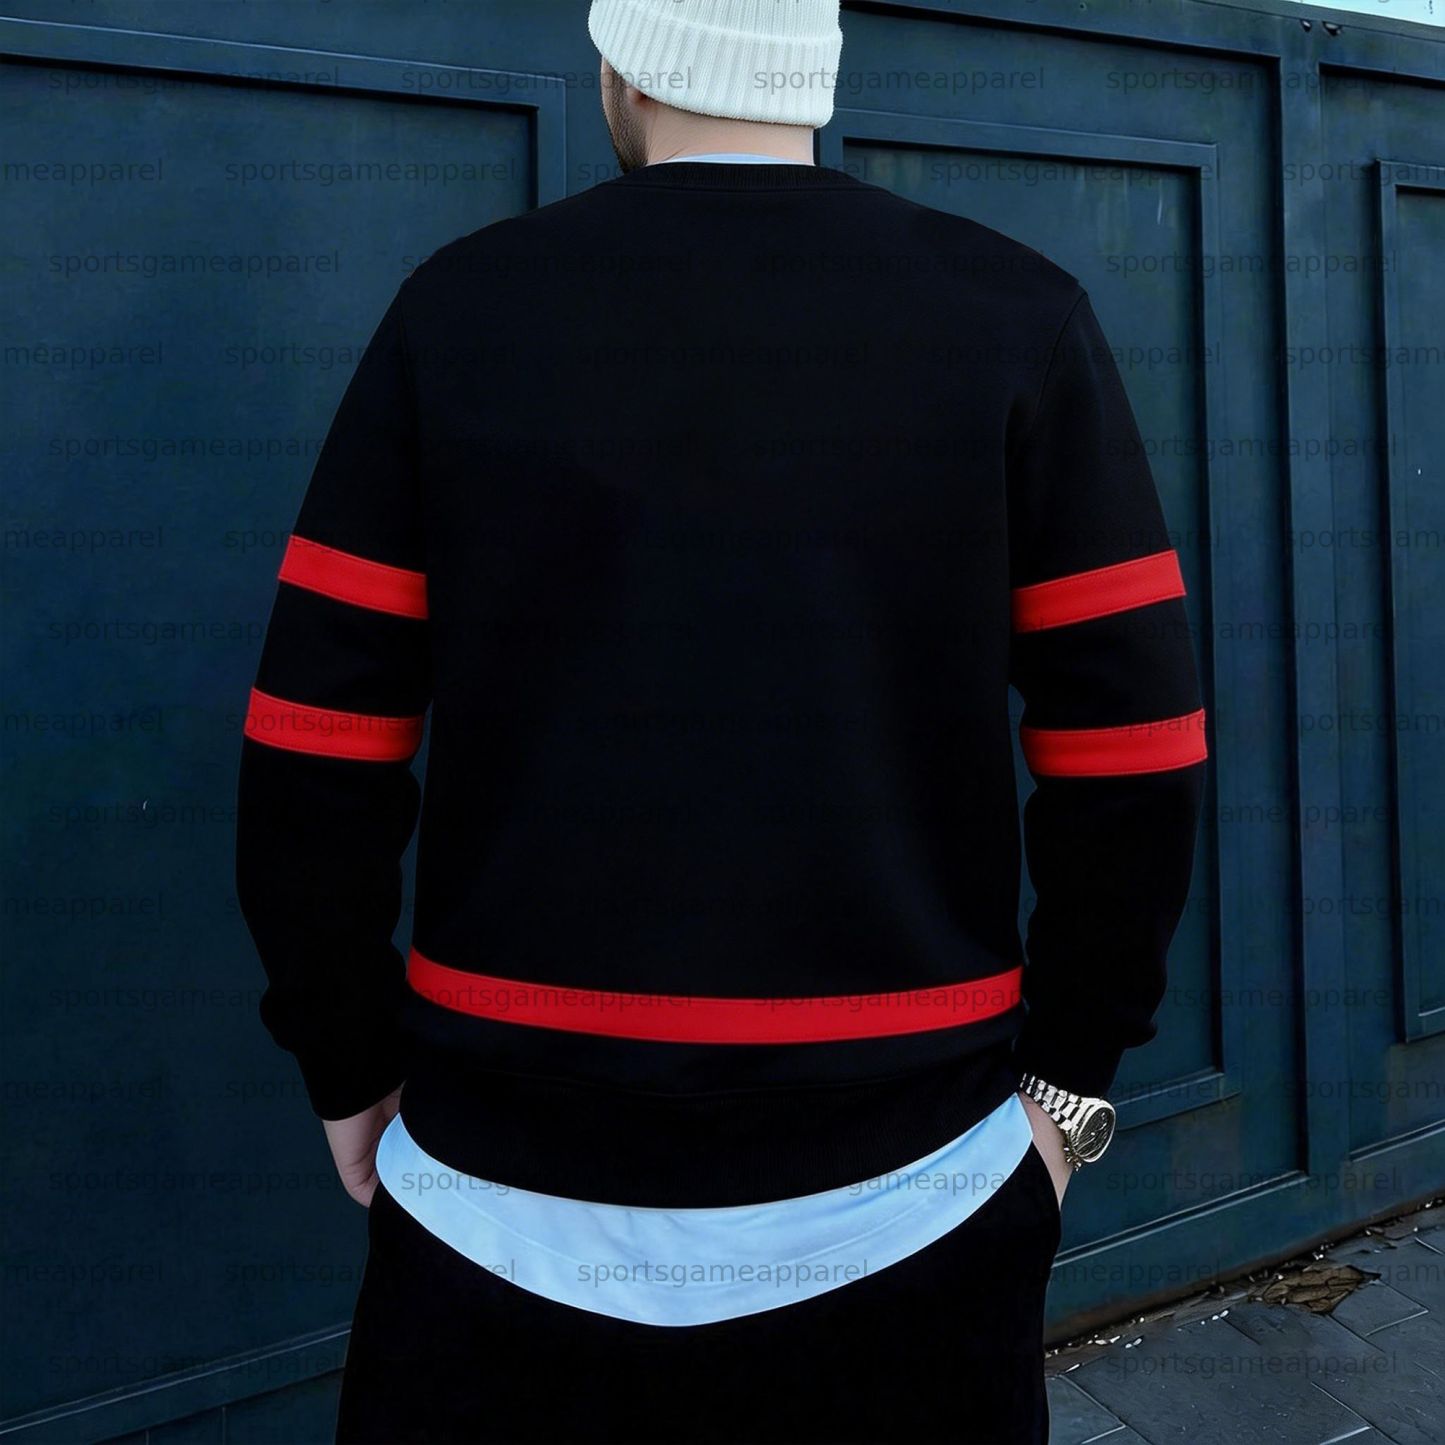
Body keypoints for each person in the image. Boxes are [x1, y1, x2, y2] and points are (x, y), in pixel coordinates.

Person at [234, 2, 1207, 1440]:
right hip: (913, 1212)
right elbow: (1136, 759)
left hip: (504, 1209)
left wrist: (347, 1063)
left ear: (623, 70)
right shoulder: (1017, 314)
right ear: (814, 70)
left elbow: (314, 753)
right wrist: (1067, 1097)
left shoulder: (459, 312)